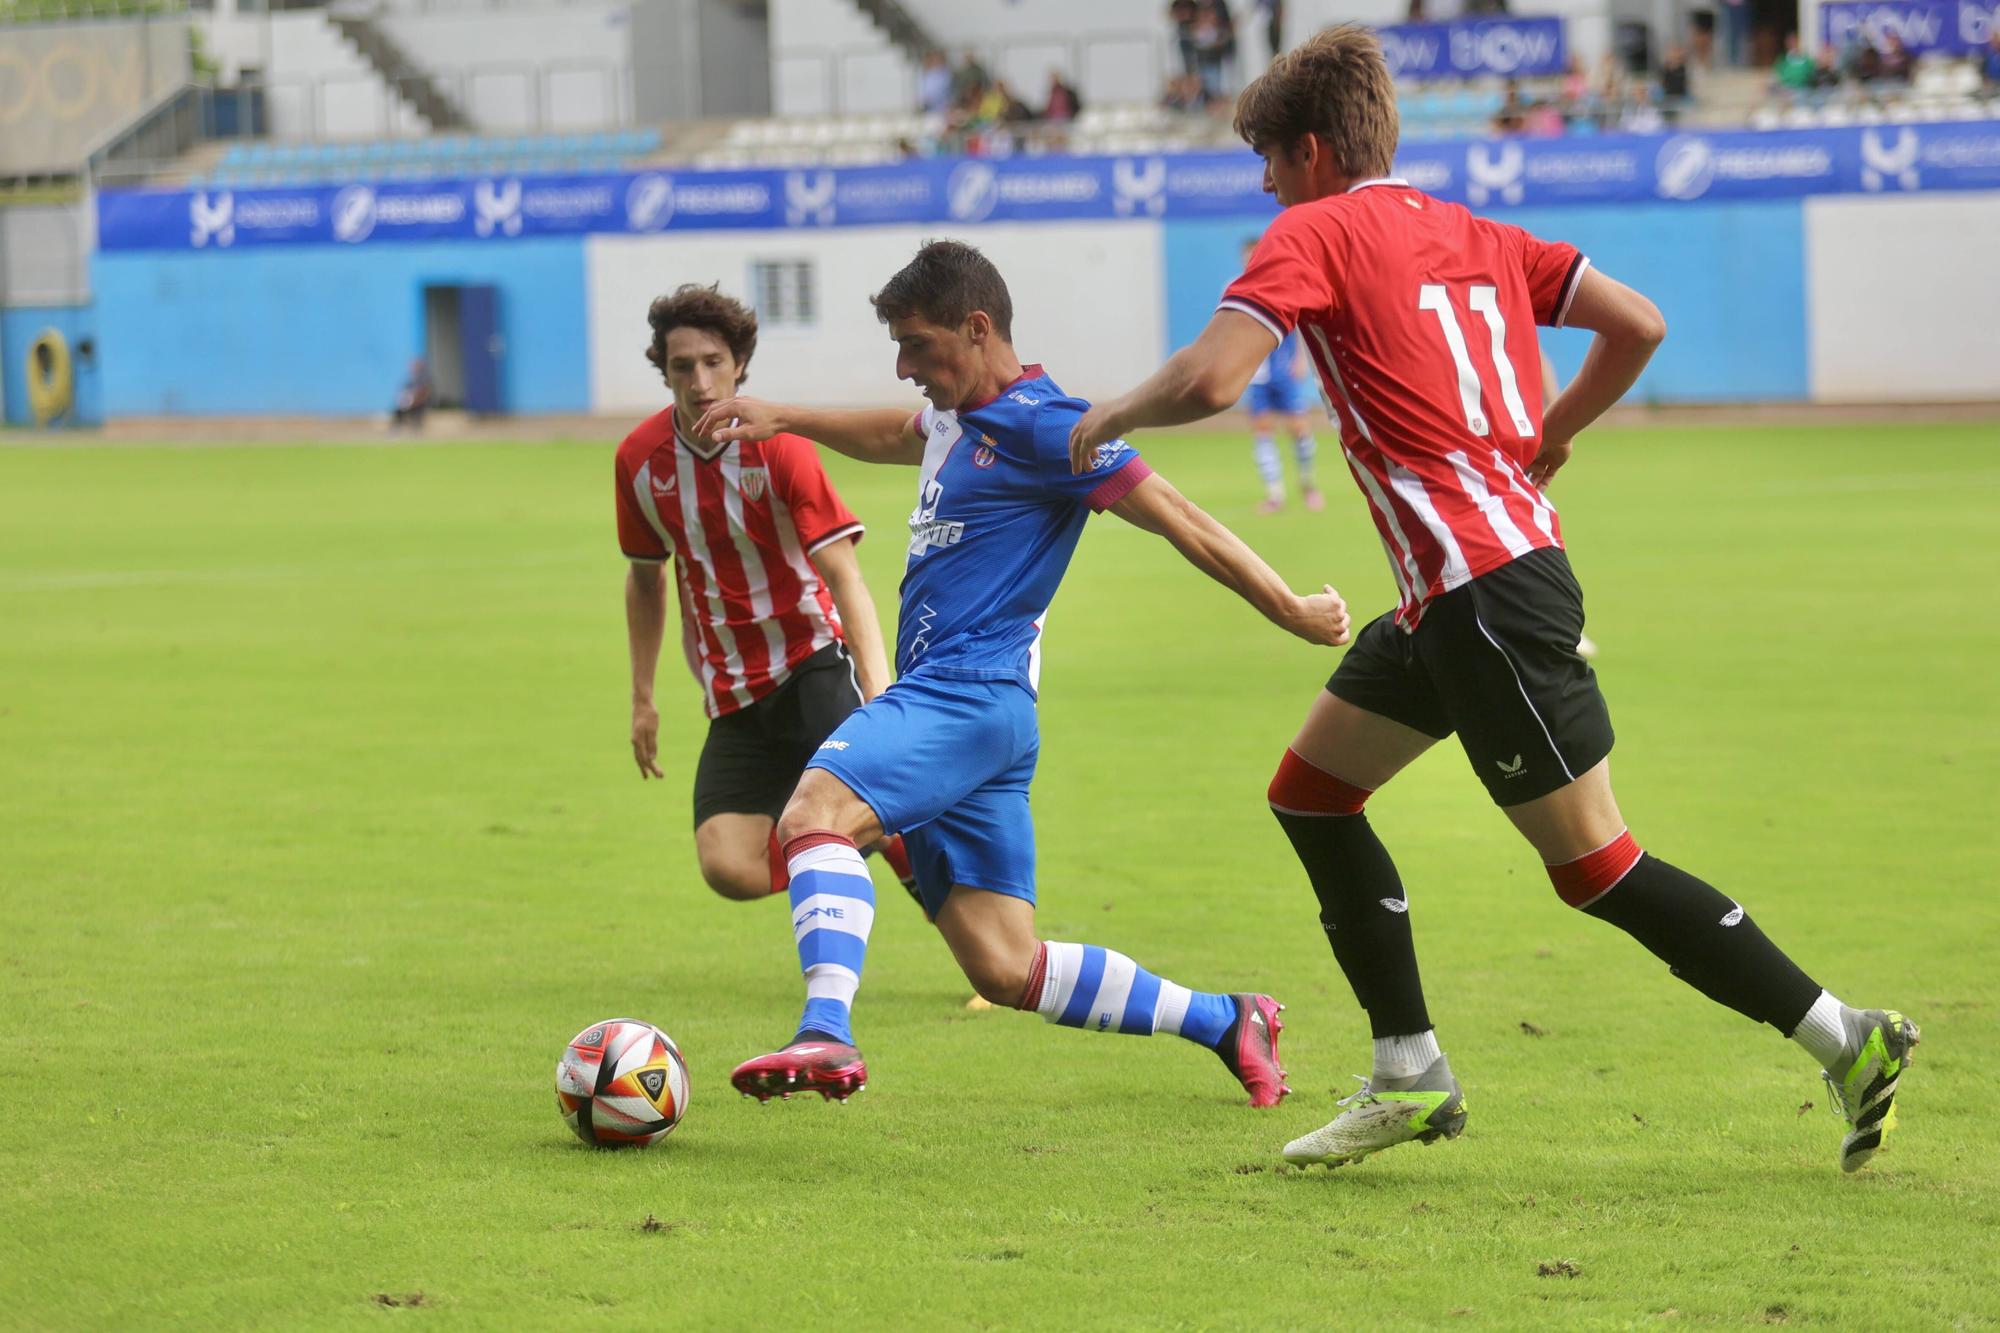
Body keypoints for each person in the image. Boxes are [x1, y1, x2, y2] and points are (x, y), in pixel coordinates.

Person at [1068, 25, 1916, 1173]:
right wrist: (1547, 436)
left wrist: (1111, 412)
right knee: (1311, 794)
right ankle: (1408, 1070)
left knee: (1596, 868)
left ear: (1310, 150)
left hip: (1484, 596)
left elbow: (1214, 376)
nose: (1261, 182)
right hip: (1450, 594)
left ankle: (1841, 1036)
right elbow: (1638, 324)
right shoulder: (1476, 233)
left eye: (1265, 156)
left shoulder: (1308, 228)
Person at [695, 240, 1353, 1108]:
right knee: (1007, 966)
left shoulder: (1051, 426)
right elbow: (896, 433)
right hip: (980, 718)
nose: (904, 367)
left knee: (813, 810)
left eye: (916, 345)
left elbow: (1178, 517)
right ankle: (1228, 1020)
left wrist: (1290, 608)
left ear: (977, 329)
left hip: (966, 695)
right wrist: (786, 416)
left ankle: (826, 1029)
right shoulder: (952, 418)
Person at [615, 284, 917, 905]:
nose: (699, 381)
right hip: (733, 691)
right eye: (682, 366)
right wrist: (643, 697)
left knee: (875, 803)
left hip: (814, 663)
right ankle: (849, 838)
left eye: (713, 362)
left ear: (739, 365)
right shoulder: (640, 461)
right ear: (663, 370)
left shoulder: (780, 447)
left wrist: (878, 688)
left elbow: (844, 574)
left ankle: (981, 947)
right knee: (728, 866)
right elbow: (646, 579)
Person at [1238, 239, 1323, 513]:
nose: (1249, 261)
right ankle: (1274, 493)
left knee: (1299, 428)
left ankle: (1308, 485)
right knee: (1263, 430)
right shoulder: (1236, 289)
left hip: (1283, 370)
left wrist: (1299, 359)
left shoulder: (1278, 283)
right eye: (1246, 257)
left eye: (1253, 255)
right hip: (1257, 374)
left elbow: (1298, 323)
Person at [390, 357, 431, 430]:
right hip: (411, 404)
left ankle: (417, 429)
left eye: (415, 366)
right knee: (399, 411)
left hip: (420, 404)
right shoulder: (411, 380)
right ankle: (397, 428)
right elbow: (405, 392)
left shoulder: (425, 379)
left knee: (417, 412)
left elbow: (425, 394)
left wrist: (415, 401)